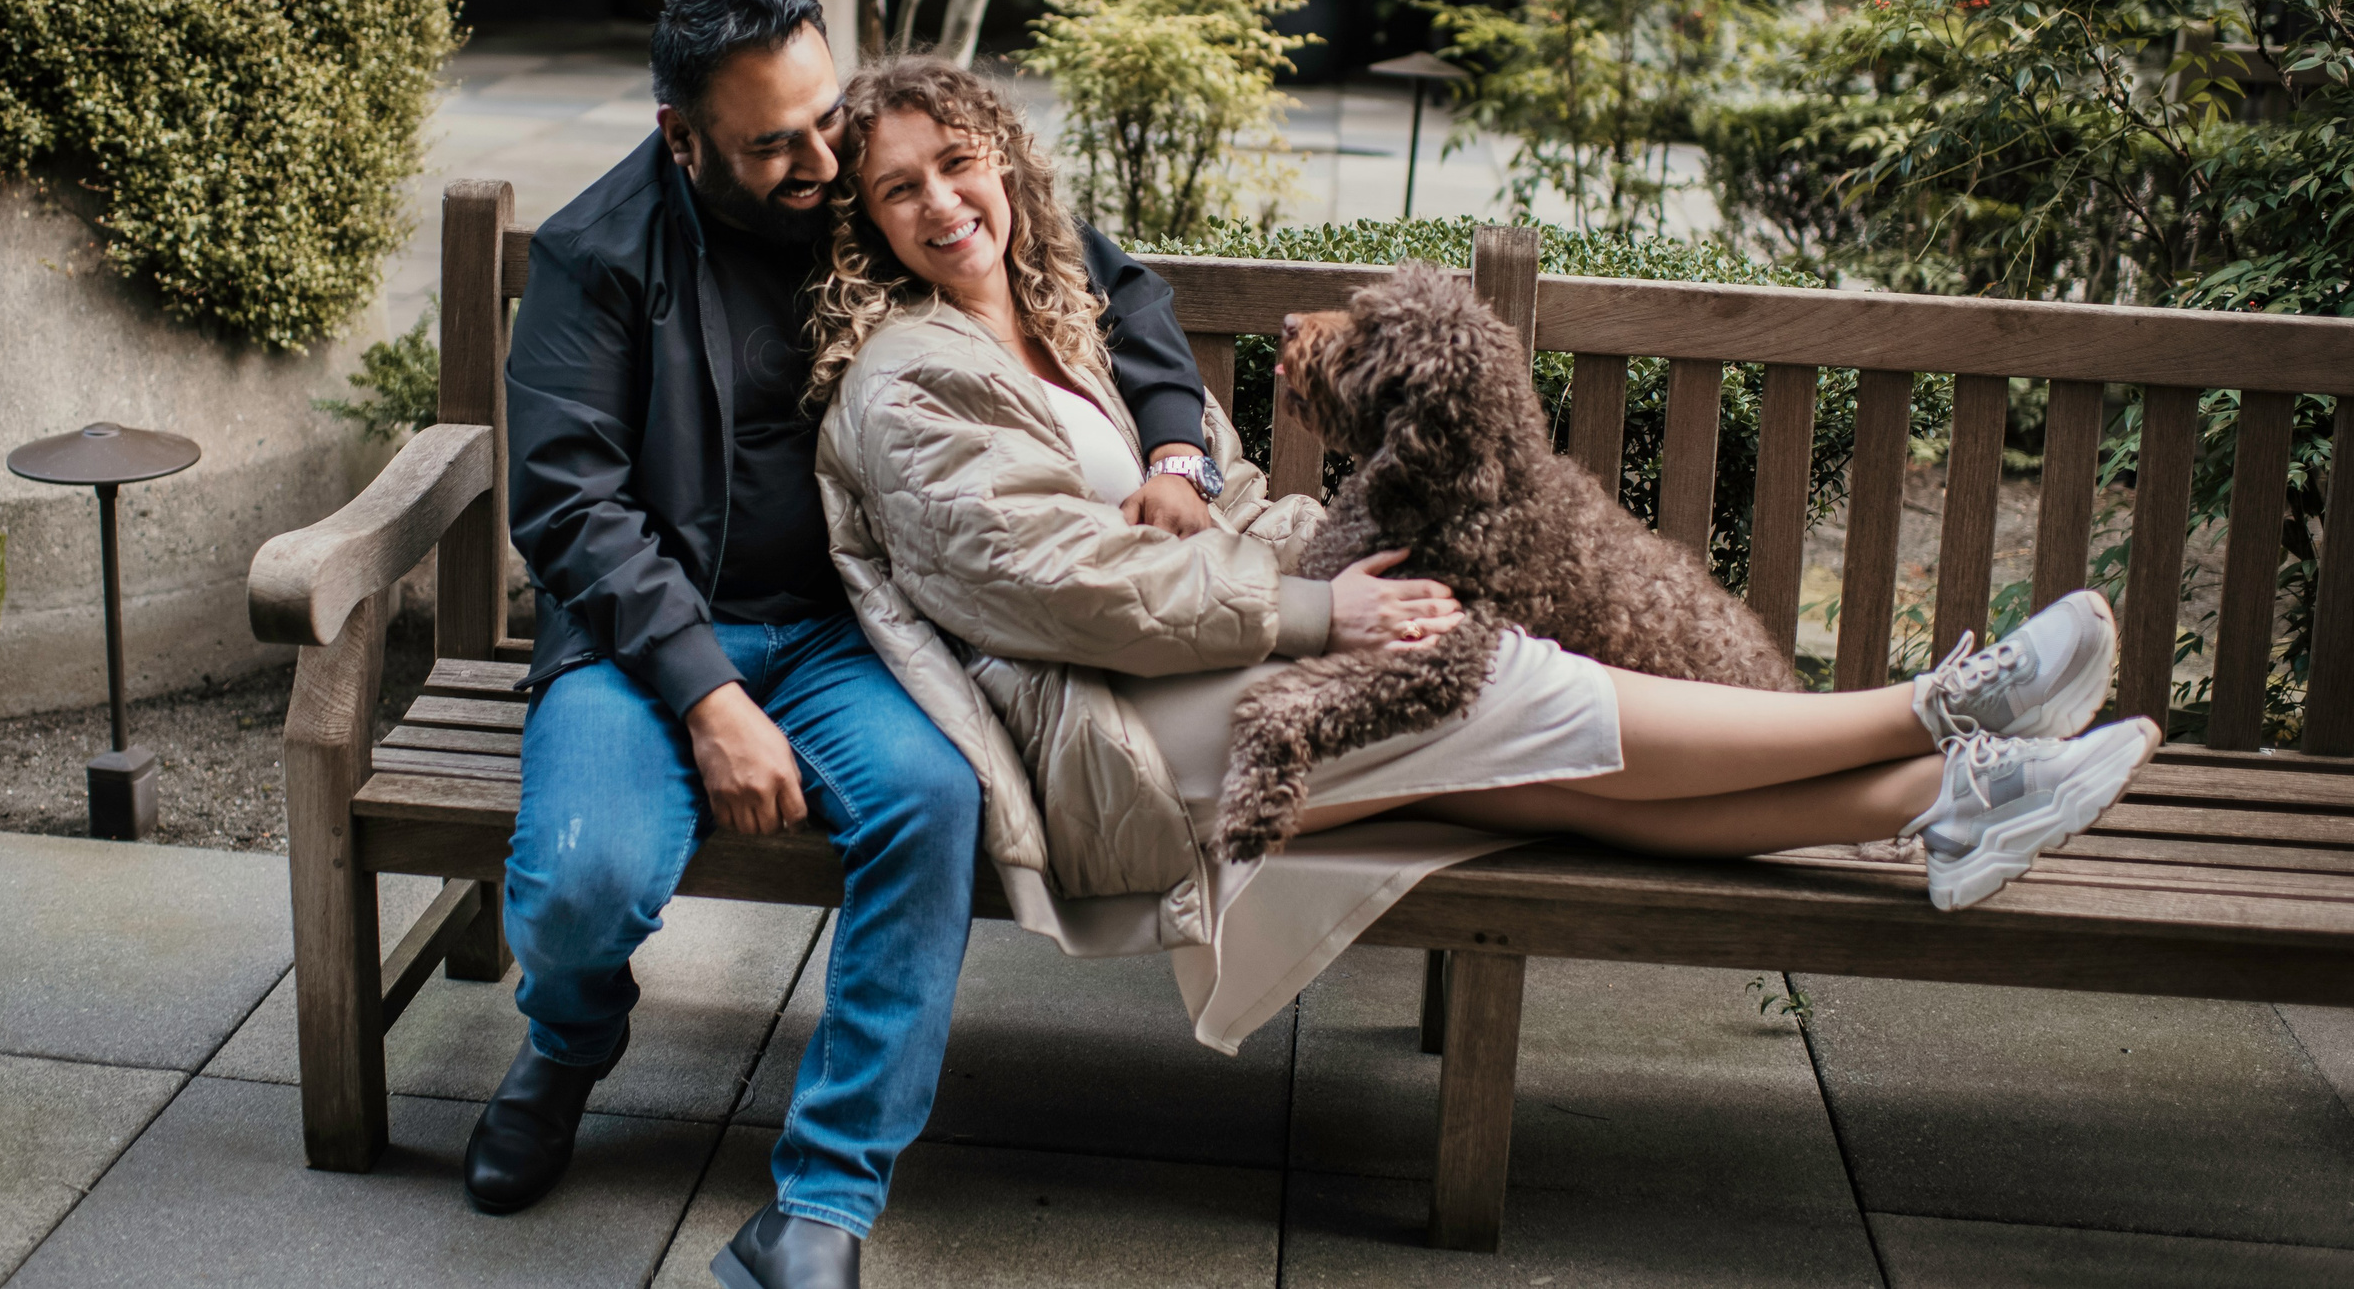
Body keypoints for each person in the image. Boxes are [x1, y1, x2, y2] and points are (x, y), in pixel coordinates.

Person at [806, 54, 2161, 1053]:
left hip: (1181, 670)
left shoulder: (1065, 323)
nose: (941, 201)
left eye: (958, 162)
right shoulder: (913, 378)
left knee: (1540, 788)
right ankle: (1940, 710)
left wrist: (1272, 541)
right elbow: (1046, 586)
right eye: (899, 188)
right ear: (866, 221)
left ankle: (1934, 806)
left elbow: (1213, 517)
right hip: (1110, 738)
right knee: (1491, 675)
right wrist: (1310, 611)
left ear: (1005, 161)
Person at [477, 0, 1368, 1289]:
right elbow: (570, 504)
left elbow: (1112, 291)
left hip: (853, 634)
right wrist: (711, 697)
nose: (818, 160)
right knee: (585, 884)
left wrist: (1176, 453)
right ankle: (568, 1040)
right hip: (647, 643)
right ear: (683, 137)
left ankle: (822, 1206)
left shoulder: (873, 171)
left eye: (822, 117)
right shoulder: (598, 252)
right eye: (771, 142)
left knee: (933, 804)